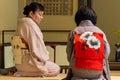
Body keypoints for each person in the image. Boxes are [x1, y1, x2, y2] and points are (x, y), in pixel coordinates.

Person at [62, 6, 111, 80]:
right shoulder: (100, 32)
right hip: (97, 70)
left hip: (78, 70)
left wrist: (72, 62)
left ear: (77, 19)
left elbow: (69, 52)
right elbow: (107, 52)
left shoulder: (74, 31)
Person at [14, 2, 60, 77]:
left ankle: (22, 72)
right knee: (56, 68)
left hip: (19, 64)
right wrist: (47, 59)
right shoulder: (31, 25)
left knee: (52, 66)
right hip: (29, 64)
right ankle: (29, 73)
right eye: (40, 14)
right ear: (31, 14)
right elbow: (36, 49)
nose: (42, 17)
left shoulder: (21, 24)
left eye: (42, 15)